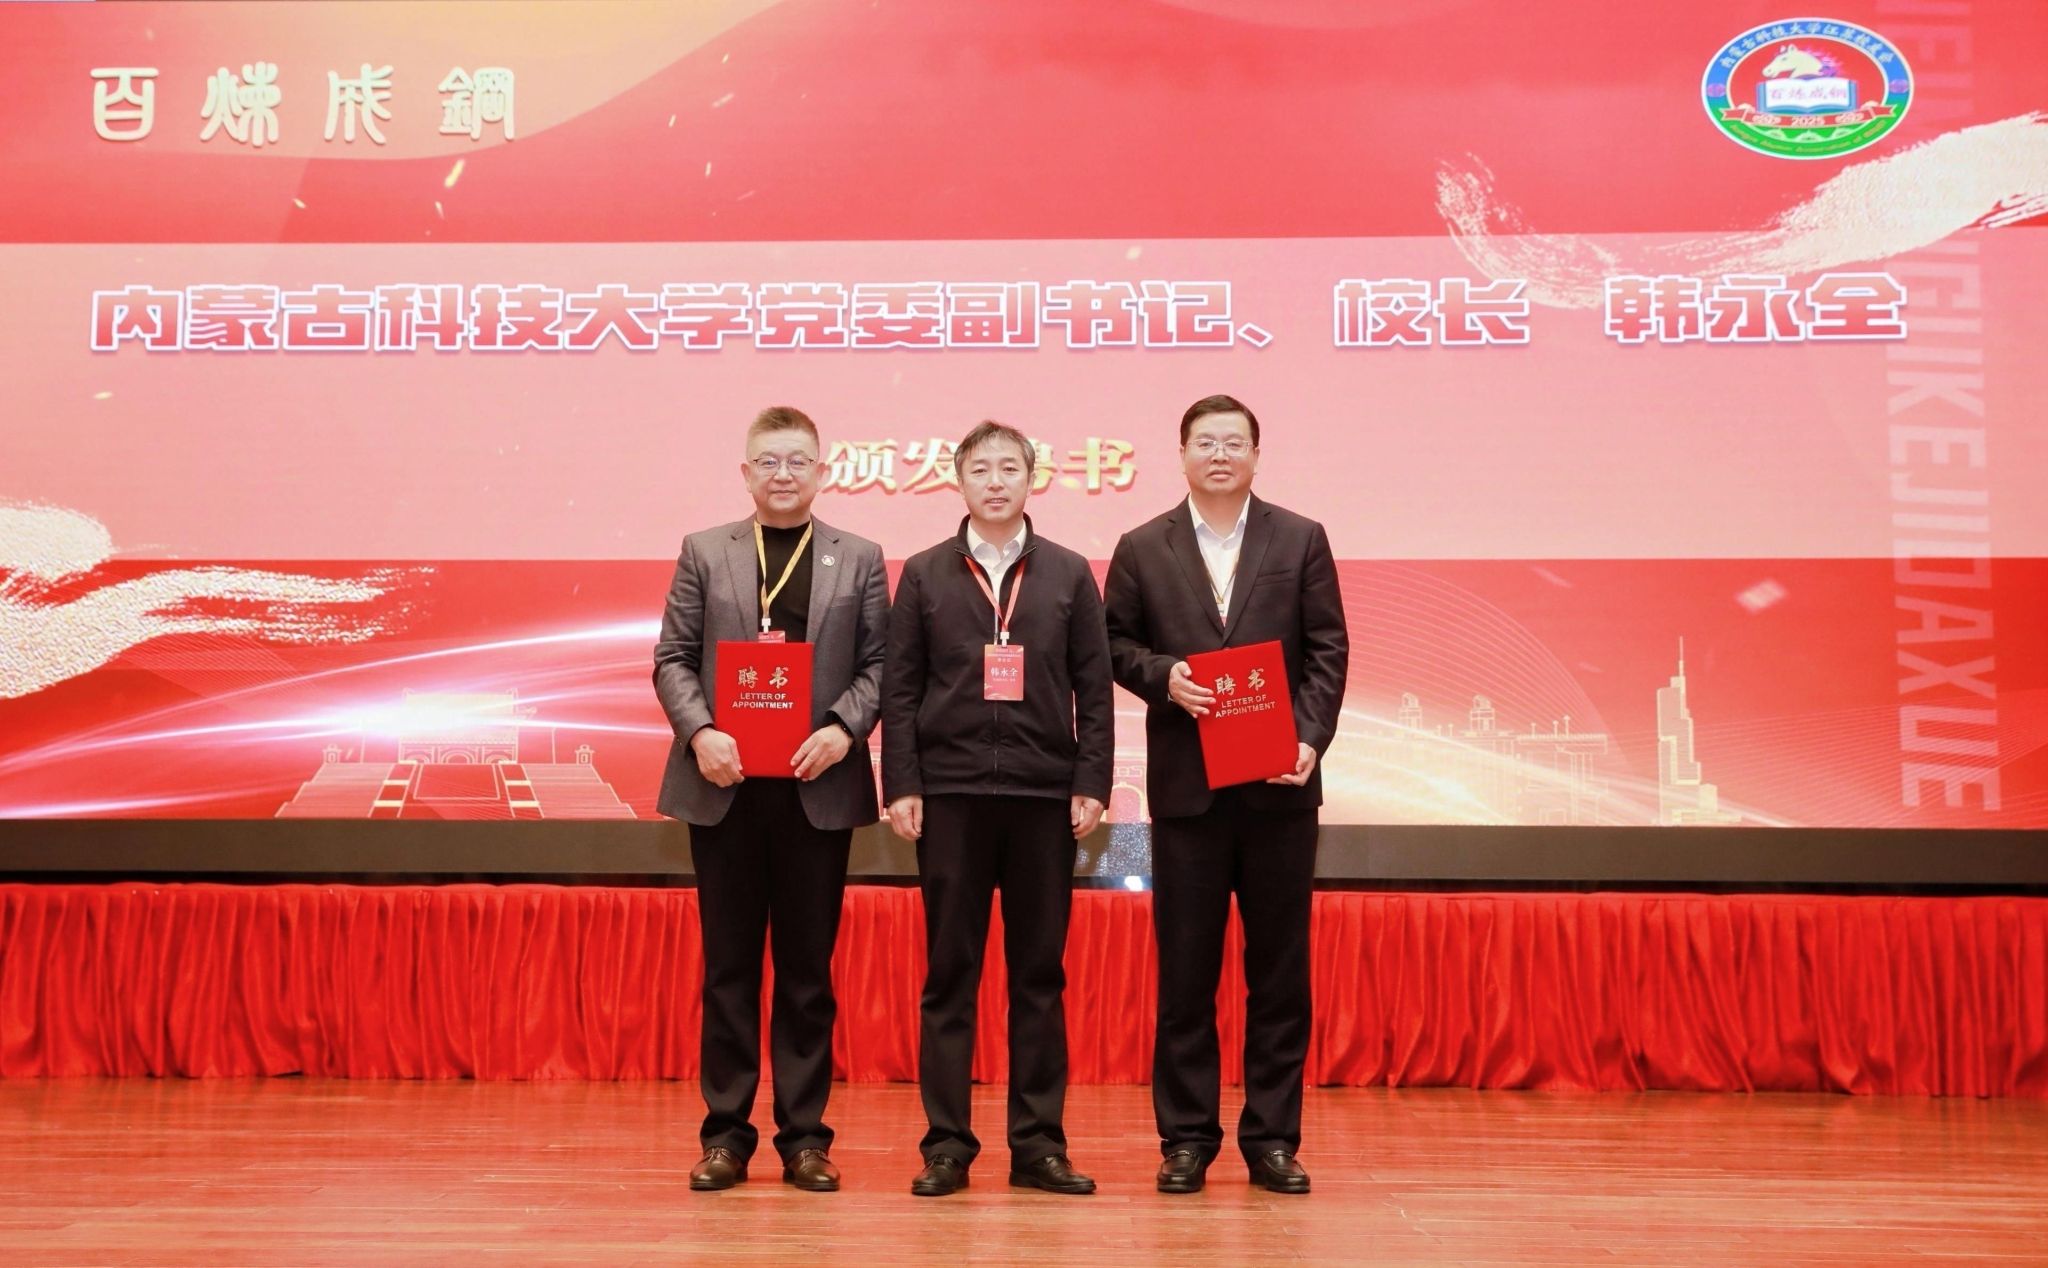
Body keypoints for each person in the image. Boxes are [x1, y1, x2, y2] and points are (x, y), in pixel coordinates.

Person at [1102, 394, 1349, 1195]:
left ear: (1255, 455)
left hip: (1280, 790)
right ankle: (1186, 1139)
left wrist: (1309, 738)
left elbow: (1327, 648)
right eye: (1205, 442)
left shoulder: (1300, 537)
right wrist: (1163, 676)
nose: (1219, 454)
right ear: (1181, 455)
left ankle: (1272, 1139)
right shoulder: (1143, 546)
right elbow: (1112, 643)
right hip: (1189, 794)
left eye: (1233, 442)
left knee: (1279, 975)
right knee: (1186, 976)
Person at [653, 405, 889, 1194]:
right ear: (746, 472)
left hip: (815, 787)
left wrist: (843, 730)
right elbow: (672, 658)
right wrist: (701, 733)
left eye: (797, 461)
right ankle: (725, 1136)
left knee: (806, 973)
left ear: (822, 471)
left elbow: (882, 666)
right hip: (724, 787)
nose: (783, 474)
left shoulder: (860, 558)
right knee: (728, 970)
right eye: (768, 461)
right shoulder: (704, 551)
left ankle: (805, 1139)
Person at [881, 420, 1114, 1198]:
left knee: (1038, 976)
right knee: (951, 974)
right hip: (949, 798)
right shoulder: (924, 574)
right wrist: (903, 784)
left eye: (1009, 468)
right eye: (980, 469)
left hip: (1043, 798)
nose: (995, 481)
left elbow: (1094, 688)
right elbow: (900, 689)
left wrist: (1092, 781)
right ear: (959, 481)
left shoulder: (1070, 573)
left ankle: (1038, 1146)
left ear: (1031, 479)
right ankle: (946, 1147)